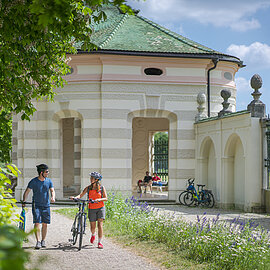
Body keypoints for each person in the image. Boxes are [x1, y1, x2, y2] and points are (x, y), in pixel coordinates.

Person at [70, 171, 107, 249]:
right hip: (91, 208)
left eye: (92, 178)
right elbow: (81, 195)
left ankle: (100, 242)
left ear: (96, 180)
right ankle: (93, 235)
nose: (90, 179)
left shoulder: (102, 188)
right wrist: (75, 197)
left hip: (100, 208)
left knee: (100, 225)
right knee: (92, 227)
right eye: (90, 178)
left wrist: (98, 199)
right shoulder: (88, 188)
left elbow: (106, 198)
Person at [22, 164, 55, 249]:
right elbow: (27, 191)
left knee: (45, 224)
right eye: (46, 172)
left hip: (46, 205)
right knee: (37, 223)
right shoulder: (33, 181)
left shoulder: (49, 181)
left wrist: (53, 197)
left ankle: (43, 240)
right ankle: (38, 241)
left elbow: (52, 190)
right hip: (36, 205)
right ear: (41, 173)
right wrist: (24, 201)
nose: (48, 173)